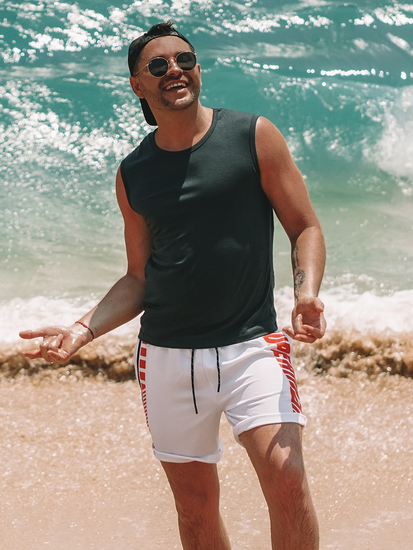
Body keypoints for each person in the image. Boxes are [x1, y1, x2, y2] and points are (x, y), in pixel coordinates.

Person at [20, 21, 326, 550]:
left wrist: (306, 293)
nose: (175, 71)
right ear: (138, 85)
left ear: (198, 68)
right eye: (158, 65)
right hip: (165, 357)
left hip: (253, 344)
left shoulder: (253, 135)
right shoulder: (133, 173)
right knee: (194, 506)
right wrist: (81, 330)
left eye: (184, 60)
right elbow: (139, 276)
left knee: (286, 476)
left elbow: (304, 226)